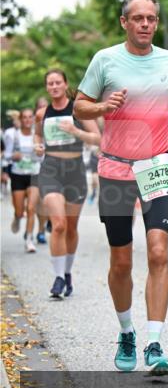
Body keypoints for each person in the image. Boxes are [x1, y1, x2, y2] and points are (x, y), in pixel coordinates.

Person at [74, 0, 168, 376]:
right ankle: (127, 331)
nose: (145, 24)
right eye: (138, 18)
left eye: (151, 18)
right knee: (121, 260)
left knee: (159, 253)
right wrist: (102, 106)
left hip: (157, 165)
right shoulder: (105, 59)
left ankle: (155, 343)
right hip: (115, 169)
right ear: (124, 22)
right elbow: (79, 106)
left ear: (156, 22)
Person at [34, 69, 102, 298]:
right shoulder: (42, 113)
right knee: (59, 225)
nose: (54, 87)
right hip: (50, 170)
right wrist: (38, 146)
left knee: (71, 228)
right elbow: (37, 135)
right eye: (50, 83)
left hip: (75, 171)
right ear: (47, 87)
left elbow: (98, 138)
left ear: (65, 84)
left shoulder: (79, 111)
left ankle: (67, 271)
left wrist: (75, 131)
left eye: (57, 83)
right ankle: (58, 277)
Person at [9, 108, 42, 252]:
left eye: (30, 117)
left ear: (33, 119)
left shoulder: (38, 135)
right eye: (25, 117)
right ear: (21, 119)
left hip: (34, 174)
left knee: (31, 208)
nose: (28, 120)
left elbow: (43, 155)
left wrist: (40, 153)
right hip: (18, 175)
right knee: (20, 211)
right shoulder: (13, 135)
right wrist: (13, 156)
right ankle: (17, 217)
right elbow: (6, 154)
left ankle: (29, 240)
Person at [33, 96, 50, 245]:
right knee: (40, 202)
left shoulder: (53, 123)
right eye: (40, 106)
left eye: (45, 106)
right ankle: (41, 230)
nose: (43, 109)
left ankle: (44, 226)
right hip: (33, 167)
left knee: (46, 201)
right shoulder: (31, 124)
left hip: (51, 168)